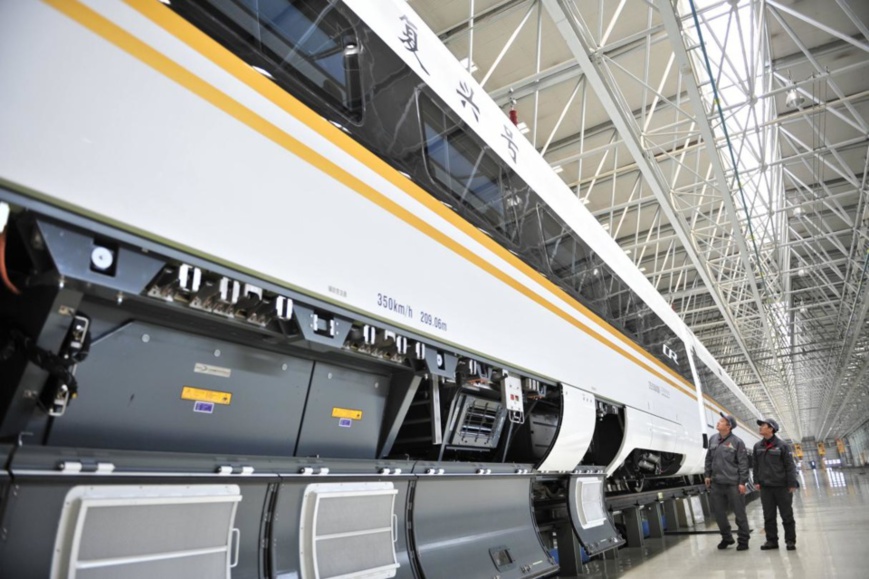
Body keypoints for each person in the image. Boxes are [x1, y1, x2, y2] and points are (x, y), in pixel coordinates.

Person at [704, 412, 750, 551]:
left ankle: (743, 540)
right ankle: (727, 538)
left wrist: (742, 482)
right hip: (716, 483)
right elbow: (709, 459)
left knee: (739, 514)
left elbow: (743, 464)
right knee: (718, 513)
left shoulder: (737, 442)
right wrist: (707, 475)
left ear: (729, 426)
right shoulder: (713, 439)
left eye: (721, 421)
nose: (718, 423)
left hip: (733, 484)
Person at [753, 418, 798, 551]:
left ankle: (790, 541)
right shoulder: (757, 446)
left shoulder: (783, 446)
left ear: (771, 429)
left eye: (763, 425)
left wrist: (791, 483)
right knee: (768, 516)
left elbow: (790, 466)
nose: (760, 427)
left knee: (787, 515)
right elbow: (755, 466)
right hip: (766, 487)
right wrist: (756, 481)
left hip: (782, 487)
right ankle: (771, 541)